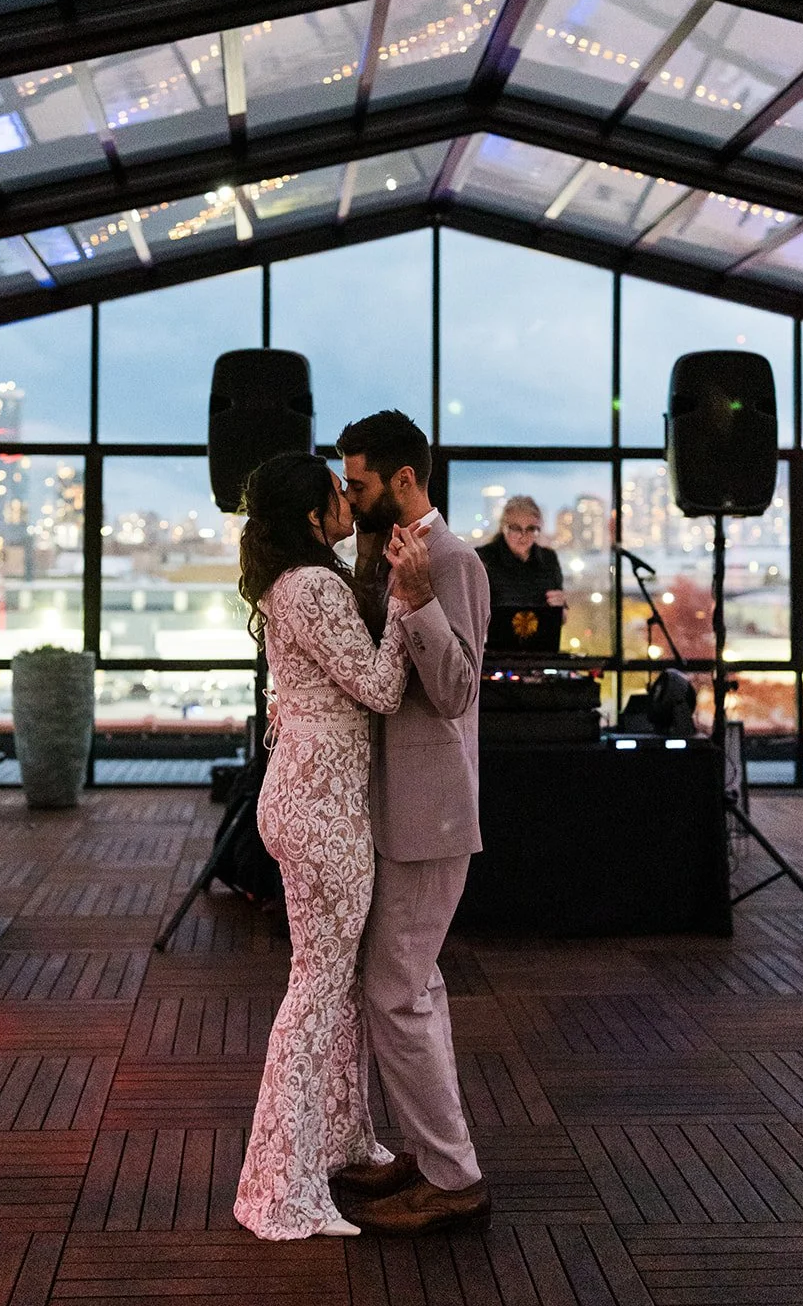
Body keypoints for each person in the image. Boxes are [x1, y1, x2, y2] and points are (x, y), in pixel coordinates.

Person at [232, 451, 429, 1241]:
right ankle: (280, 1186)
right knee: (315, 991)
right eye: (336, 494)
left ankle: (342, 1142)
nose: (350, 500)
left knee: (332, 984)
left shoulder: (297, 580)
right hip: (322, 806)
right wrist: (411, 604)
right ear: (313, 515)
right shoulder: (313, 586)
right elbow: (381, 690)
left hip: (308, 792)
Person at [333, 409, 492, 1236]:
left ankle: (455, 1176)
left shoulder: (452, 559)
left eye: (357, 482)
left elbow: (458, 691)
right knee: (406, 987)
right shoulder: (378, 554)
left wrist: (420, 600)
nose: (348, 494)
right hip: (387, 809)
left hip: (427, 814)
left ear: (402, 480)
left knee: (396, 992)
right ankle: (431, 1156)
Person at [477, 495, 567, 614]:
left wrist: (560, 607)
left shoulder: (548, 558)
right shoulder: (483, 558)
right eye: (516, 528)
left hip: (541, 632)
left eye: (530, 529)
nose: (523, 535)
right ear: (503, 527)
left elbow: (562, 616)